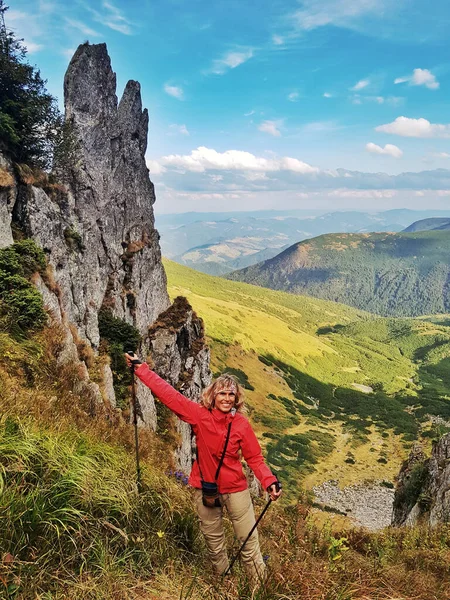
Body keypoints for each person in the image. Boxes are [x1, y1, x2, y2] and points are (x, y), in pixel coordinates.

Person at [124, 353, 282, 585]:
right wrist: (141, 369)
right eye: (222, 393)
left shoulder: (241, 425)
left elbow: (255, 458)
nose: (227, 398)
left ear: (237, 399)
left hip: (236, 490)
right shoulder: (199, 416)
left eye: (231, 394)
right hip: (205, 489)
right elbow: (170, 396)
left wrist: (269, 482)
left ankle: (260, 590)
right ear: (213, 396)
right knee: (214, 543)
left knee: (249, 544)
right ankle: (223, 584)